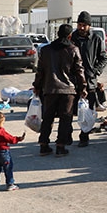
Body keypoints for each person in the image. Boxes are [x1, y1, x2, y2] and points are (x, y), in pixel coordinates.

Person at [33, 24, 86, 156]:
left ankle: (44, 145)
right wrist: (83, 87)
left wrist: (37, 86)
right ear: (69, 36)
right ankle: (60, 146)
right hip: (68, 90)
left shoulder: (45, 50)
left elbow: (40, 71)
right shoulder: (73, 49)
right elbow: (79, 71)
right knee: (65, 118)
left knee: (48, 117)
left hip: (49, 89)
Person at [71, 11, 107, 147]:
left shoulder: (96, 39)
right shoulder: (72, 38)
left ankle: (84, 136)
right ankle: (66, 136)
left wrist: (95, 71)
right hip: (73, 82)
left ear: (89, 26)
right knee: (71, 110)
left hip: (90, 82)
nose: (81, 28)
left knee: (88, 111)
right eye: (79, 25)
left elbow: (104, 58)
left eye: (84, 25)